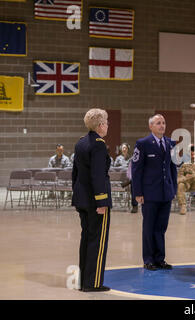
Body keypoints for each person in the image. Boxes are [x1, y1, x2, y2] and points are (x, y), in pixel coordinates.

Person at [71, 108, 112, 292]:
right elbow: (97, 175)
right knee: (98, 240)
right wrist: (102, 202)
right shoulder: (98, 144)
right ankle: (93, 282)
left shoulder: (81, 143)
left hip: (82, 199)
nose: (107, 125)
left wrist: (77, 195)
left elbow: (75, 174)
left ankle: (83, 281)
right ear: (101, 125)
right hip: (96, 201)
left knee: (86, 238)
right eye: (107, 122)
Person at [131, 114, 177, 271]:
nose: (162, 126)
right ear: (151, 126)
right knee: (149, 226)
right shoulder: (143, 144)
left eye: (163, 123)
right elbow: (137, 170)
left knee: (161, 227)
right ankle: (149, 259)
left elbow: (172, 168)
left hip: (166, 192)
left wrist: (174, 188)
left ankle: (160, 258)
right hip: (149, 193)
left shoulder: (170, 143)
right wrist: (137, 192)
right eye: (158, 123)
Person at [177, 145, 195, 215]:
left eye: (194, 154)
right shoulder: (185, 164)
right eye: (191, 154)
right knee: (181, 185)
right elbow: (180, 175)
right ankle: (183, 206)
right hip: (188, 185)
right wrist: (185, 178)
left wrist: (190, 176)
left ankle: (184, 180)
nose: (193, 156)